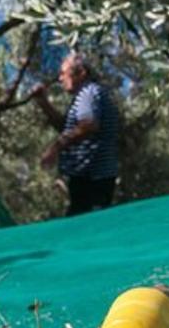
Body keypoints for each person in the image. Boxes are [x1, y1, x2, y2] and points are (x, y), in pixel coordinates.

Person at [28, 53, 121, 216]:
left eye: (64, 73)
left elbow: (88, 125)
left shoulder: (88, 94)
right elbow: (67, 128)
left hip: (93, 180)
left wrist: (55, 148)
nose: (60, 78)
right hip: (90, 179)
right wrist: (43, 102)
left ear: (81, 73)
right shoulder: (86, 96)